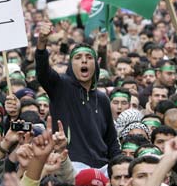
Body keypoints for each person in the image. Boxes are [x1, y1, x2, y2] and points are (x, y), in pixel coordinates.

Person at [36, 22, 120, 171]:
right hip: (72, 164)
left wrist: (119, 165)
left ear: (95, 65)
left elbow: (111, 140)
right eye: (78, 57)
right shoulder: (61, 86)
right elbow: (43, 73)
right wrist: (42, 43)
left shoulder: (102, 99)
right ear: (70, 64)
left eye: (89, 57)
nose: (84, 60)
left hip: (102, 167)